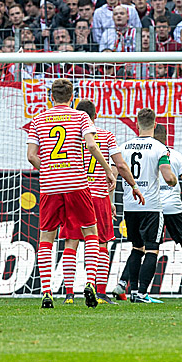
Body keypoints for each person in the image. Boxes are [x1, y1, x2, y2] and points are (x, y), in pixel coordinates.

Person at [29, 79, 140, 308]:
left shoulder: (38, 119)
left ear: (51, 96)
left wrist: (49, 169)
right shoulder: (80, 118)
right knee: (92, 233)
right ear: (72, 98)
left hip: (50, 186)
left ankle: (47, 291)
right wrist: (108, 170)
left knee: (48, 237)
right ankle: (91, 283)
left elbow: (31, 156)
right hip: (79, 185)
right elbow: (90, 145)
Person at [58, 99, 130, 305]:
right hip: (98, 197)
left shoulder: (71, 136)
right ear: (95, 116)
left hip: (75, 194)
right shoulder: (106, 135)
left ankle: (69, 295)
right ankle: (99, 292)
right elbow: (119, 165)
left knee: (71, 242)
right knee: (102, 243)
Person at [122, 125, 182, 299]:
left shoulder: (131, 148)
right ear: (166, 137)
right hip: (171, 208)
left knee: (138, 248)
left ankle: (126, 285)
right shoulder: (174, 155)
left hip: (144, 205)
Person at [113, 107, 174, 304]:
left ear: (137, 125)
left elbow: (112, 176)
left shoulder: (123, 147)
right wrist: (173, 180)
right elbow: (167, 176)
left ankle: (132, 291)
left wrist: (112, 201)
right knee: (152, 249)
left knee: (136, 248)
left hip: (130, 207)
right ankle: (141, 294)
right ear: (155, 125)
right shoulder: (160, 148)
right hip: (151, 206)